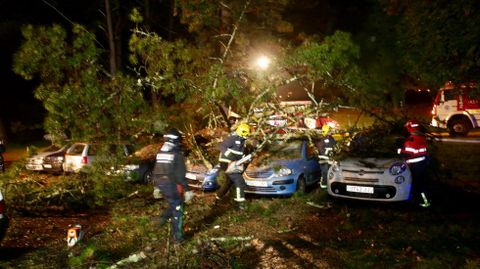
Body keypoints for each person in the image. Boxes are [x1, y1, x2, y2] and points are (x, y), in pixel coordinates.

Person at [151, 128, 194, 244]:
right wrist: (187, 190)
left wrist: (156, 186)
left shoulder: (161, 153)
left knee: (174, 202)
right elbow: (180, 174)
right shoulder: (176, 154)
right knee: (178, 209)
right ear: (176, 140)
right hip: (172, 184)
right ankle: (178, 238)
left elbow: (156, 170)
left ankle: (162, 219)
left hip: (161, 183)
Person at [215, 123, 251, 210]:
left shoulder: (242, 143)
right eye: (247, 133)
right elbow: (222, 146)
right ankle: (240, 204)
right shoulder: (233, 138)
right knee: (239, 180)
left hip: (233, 164)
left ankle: (217, 198)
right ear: (243, 132)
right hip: (226, 162)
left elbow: (239, 155)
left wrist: (245, 159)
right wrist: (230, 156)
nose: (248, 135)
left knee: (229, 182)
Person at [397, 119, 431, 208]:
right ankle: (423, 200)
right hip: (422, 164)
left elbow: (408, 154)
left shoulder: (411, 140)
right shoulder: (422, 138)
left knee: (415, 184)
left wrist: (399, 150)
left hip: (415, 166)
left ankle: (422, 202)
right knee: (421, 183)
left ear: (410, 128)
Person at [316, 124, 336, 188]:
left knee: (331, 172)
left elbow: (334, 146)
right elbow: (321, 150)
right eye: (329, 131)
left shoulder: (331, 138)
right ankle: (324, 186)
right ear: (326, 131)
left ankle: (330, 184)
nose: (330, 132)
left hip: (330, 158)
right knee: (325, 172)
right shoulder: (321, 139)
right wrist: (326, 153)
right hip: (323, 159)